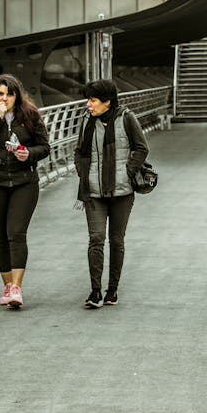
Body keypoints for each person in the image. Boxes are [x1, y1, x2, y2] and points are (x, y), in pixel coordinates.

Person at [0, 74, 50, 309]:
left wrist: (29, 153)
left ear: (17, 95)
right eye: (0, 93)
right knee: (0, 236)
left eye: (9, 94)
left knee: (16, 232)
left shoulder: (30, 115)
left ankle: (17, 287)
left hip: (24, 181)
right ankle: (7, 286)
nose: (4, 98)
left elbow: (44, 147)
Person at [74, 79, 149, 308]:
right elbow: (79, 151)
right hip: (93, 192)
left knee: (116, 241)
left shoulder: (126, 118)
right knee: (96, 239)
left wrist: (128, 171)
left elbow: (141, 148)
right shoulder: (87, 121)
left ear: (107, 101)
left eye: (93, 100)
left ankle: (112, 290)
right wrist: (83, 173)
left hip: (122, 192)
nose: (89, 104)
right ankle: (95, 291)